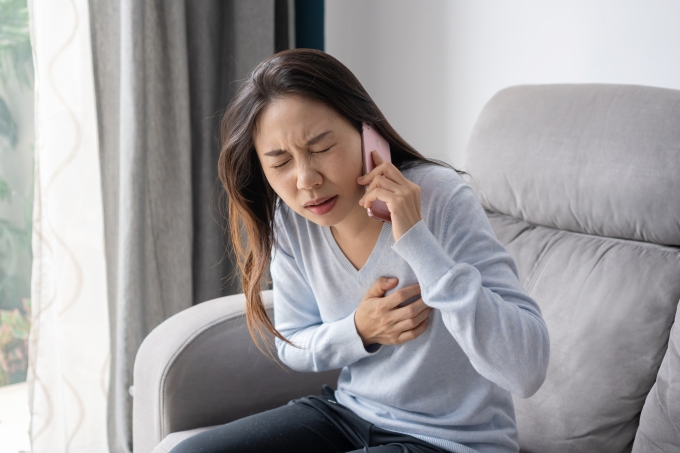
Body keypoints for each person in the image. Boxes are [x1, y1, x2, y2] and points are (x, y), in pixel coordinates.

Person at [170, 49, 549, 453]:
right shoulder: (292, 220)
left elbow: (526, 370)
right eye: (280, 162)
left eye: (320, 148)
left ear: (368, 134)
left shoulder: (441, 197)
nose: (306, 180)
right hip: (350, 414)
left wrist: (416, 239)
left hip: (452, 441)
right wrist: (359, 331)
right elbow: (292, 343)